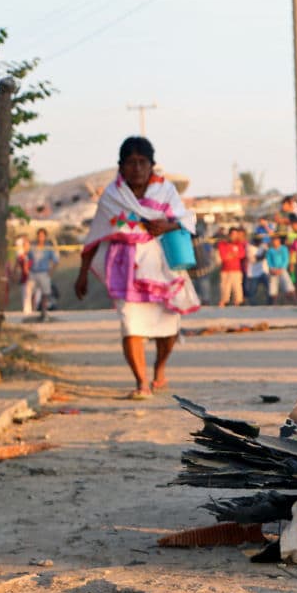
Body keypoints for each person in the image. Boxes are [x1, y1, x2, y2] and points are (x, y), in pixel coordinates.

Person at [74, 136, 200, 399]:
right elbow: (97, 233)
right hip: (124, 267)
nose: (137, 169)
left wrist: (167, 225)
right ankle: (142, 383)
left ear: (152, 165)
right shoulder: (112, 196)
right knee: (131, 325)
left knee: (168, 327)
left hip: (162, 264)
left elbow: (187, 218)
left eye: (143, 162)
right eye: (131, 163)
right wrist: (82, 274)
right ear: (121, 166)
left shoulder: (166, 191)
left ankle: (159, 369)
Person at [28, 228, 59, 320]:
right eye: (39, 235)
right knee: (32, 293)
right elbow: (28, 258)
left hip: (44, 272)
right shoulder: (33, 247)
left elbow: (55, 261)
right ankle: (33, 312)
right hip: (34, 272)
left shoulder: (48, 247)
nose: (40, 237)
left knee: (45, 293)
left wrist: (51, 272)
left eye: (42, 235)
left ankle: (44, 312)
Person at [217, 227, 245, 306]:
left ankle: (238, 304)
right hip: (225, 270)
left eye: (236, 234)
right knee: (225, 289)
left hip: (236, 270)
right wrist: (233, 255)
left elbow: (241, 255)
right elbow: (223, 257)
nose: (234, 236)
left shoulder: (239, 244)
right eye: (233, 234)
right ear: (229, 235)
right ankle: (224, 303)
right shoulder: (222, 244)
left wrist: (231, 254)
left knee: (237, 289)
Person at [266, 234, 295, 303]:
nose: (274, 242)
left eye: (276, 240)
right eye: (273, 240)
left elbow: (286, 259)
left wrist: (282, 268)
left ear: (279, 241)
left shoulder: (283, 249)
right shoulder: (270, 250)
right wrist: (272, 268)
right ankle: (273, 303)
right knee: (273, 289)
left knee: (288, 286)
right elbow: (269, 260)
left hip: (282, 270)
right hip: (273, 271)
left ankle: (294, 302)